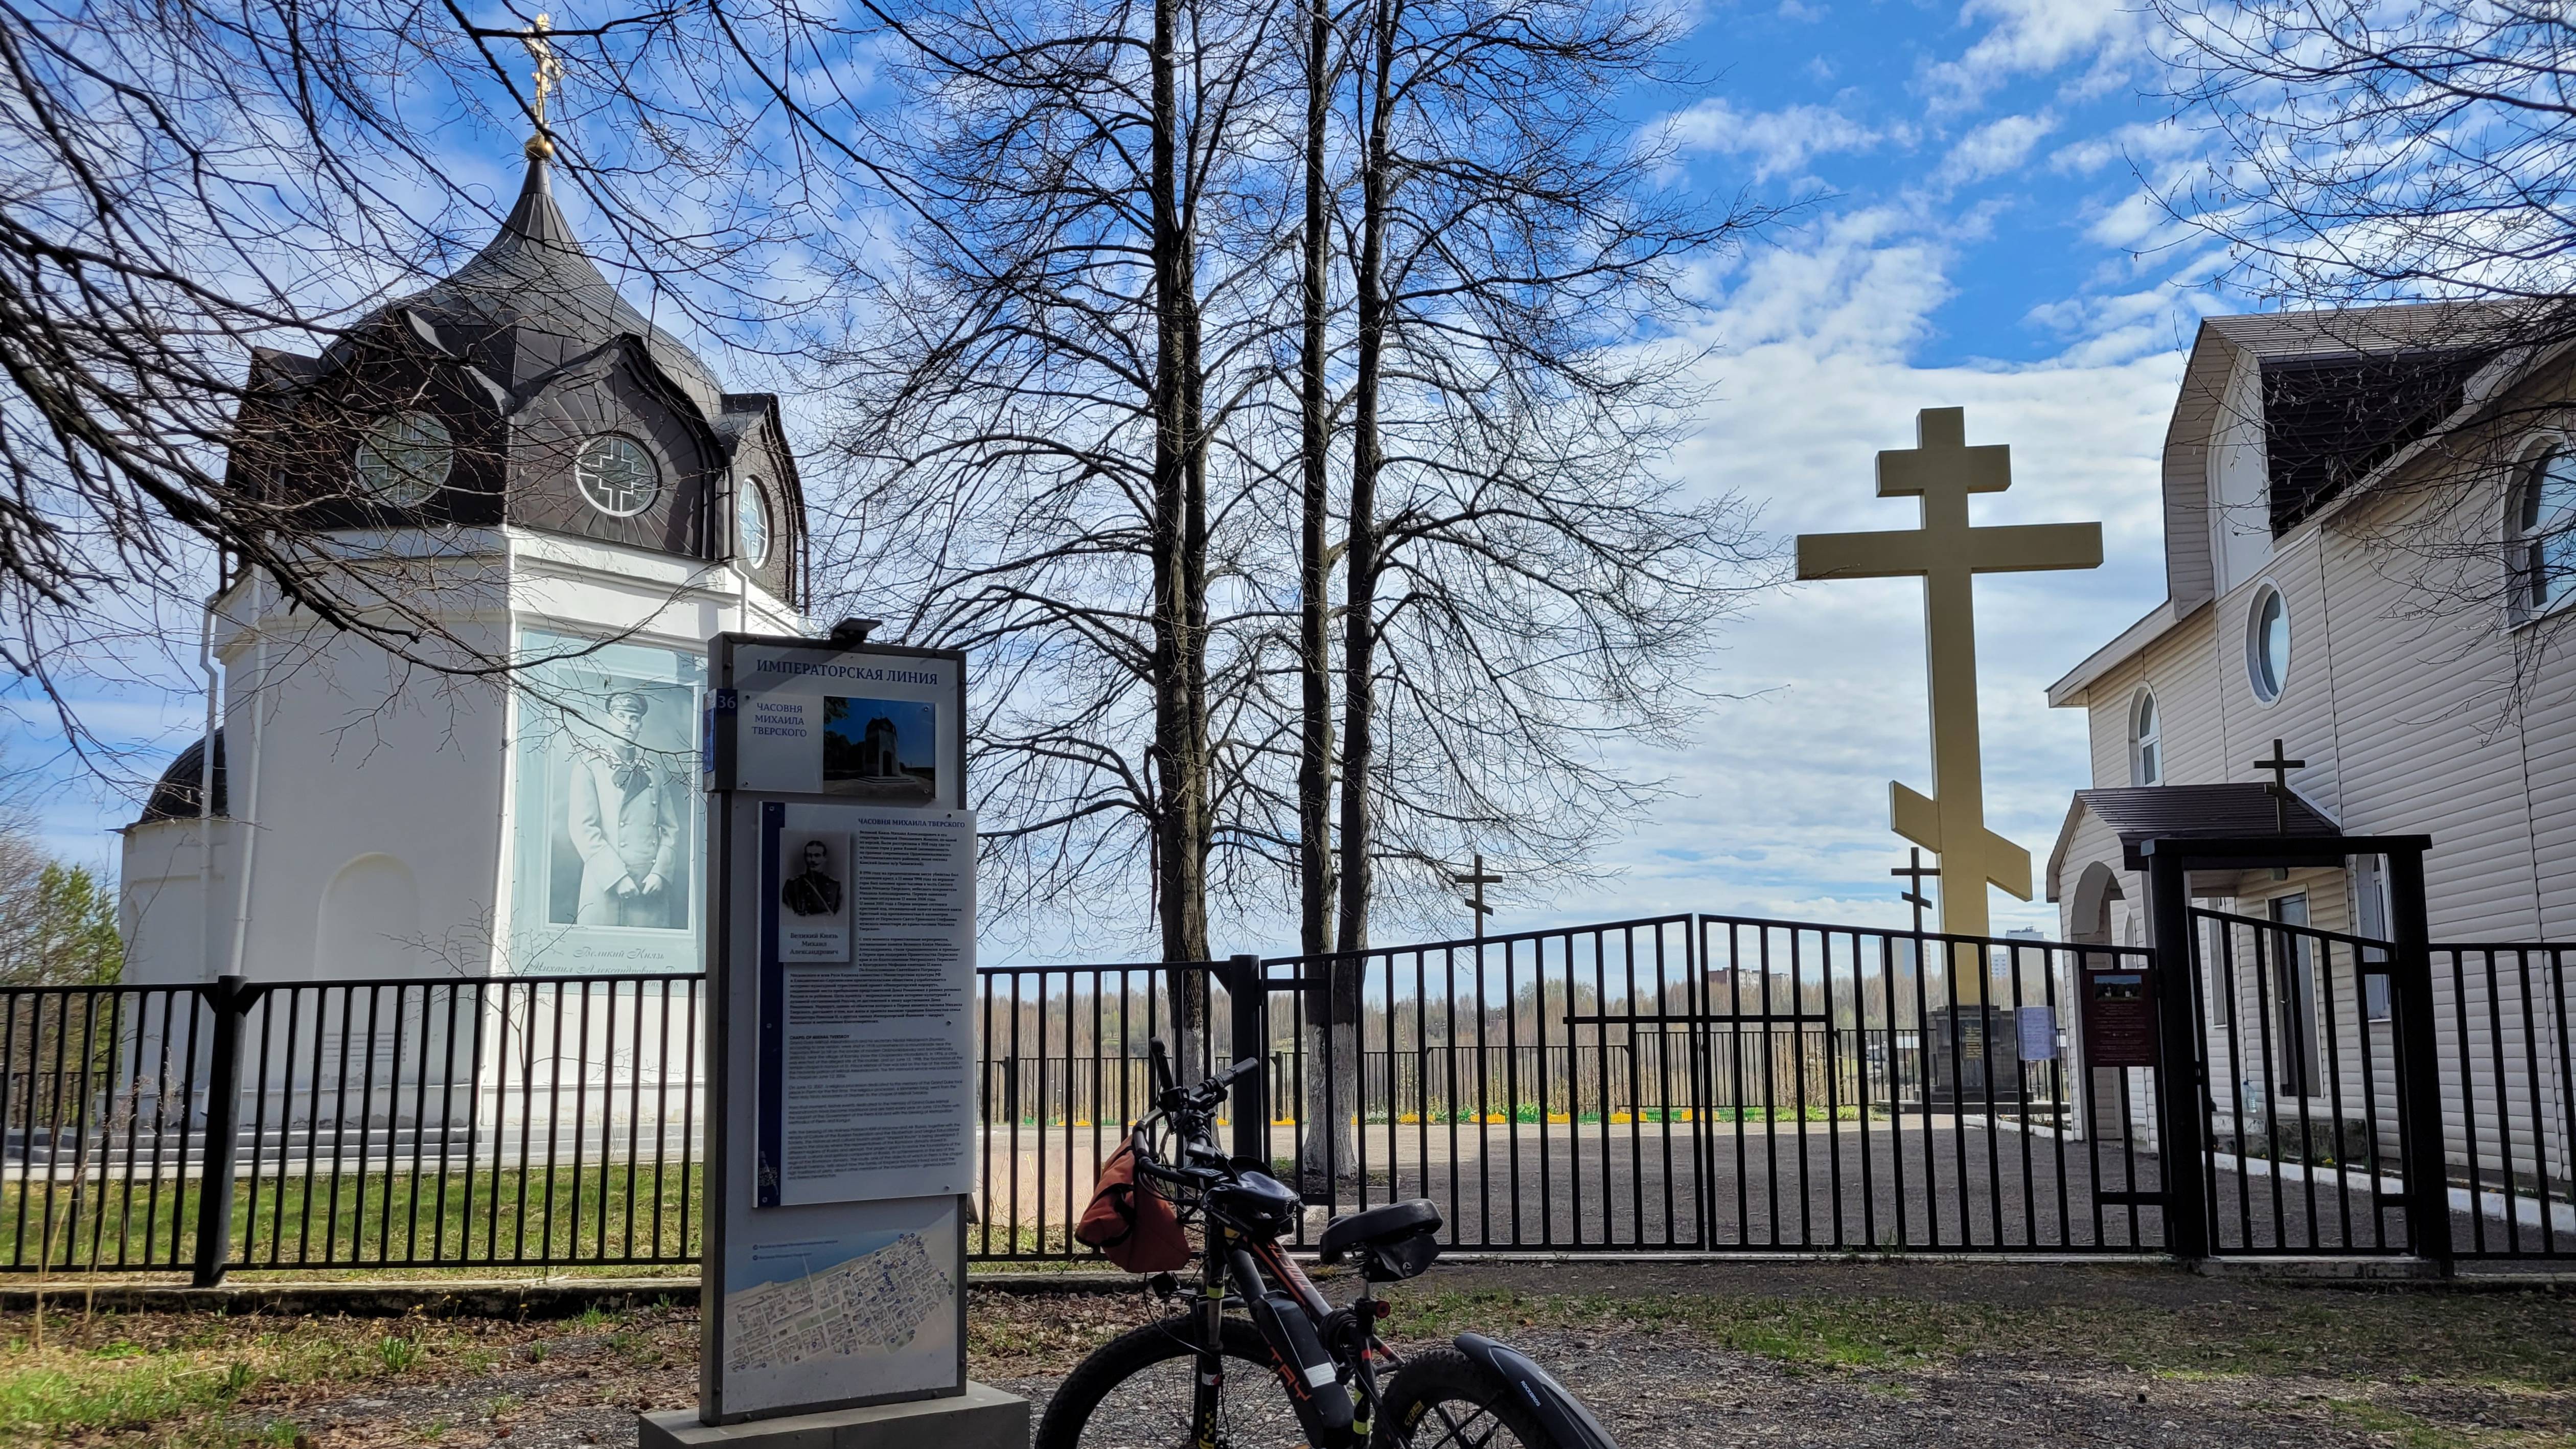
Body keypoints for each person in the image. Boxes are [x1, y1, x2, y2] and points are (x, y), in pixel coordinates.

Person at [566, 689, 683, 927]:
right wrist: (616, 878)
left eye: (634, 719)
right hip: (605, 885)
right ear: (609, 720)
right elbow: (583, 828)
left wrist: (660, 873)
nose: (627, 724)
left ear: (641, 725)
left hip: (649, 888)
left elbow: (671, 830)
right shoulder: (590, 767)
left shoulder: (655, 773)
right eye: (621, 716)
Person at [781, 837, 842, 917]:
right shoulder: (793, 884)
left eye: (817, 856)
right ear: (805, 858)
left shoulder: (835, 886)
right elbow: (787, 914)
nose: (813, 860)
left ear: (825, 858)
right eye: (809, 856)